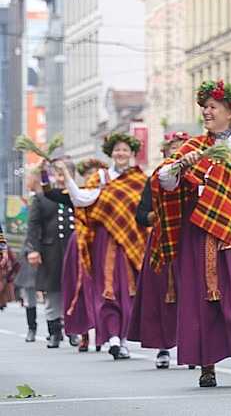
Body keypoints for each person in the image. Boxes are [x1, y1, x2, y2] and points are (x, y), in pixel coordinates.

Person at [153, 80, 231, 388]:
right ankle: (206, 365)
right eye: (204, 107)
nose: (205, 112)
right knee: (201, 298)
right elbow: (163, 180)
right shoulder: (194, 147)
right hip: (200, 231)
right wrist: (181, 164)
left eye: (212, 107)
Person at [55, 133, 148, 360]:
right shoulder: (101, 177)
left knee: (129, 290)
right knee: (107, 288)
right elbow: (80, 199)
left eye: (125, 150)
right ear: (110, 153)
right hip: (105, 241)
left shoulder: (140, 181)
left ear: (132, 153)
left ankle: (123, 340)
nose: (121, 154)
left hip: (132, 242)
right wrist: (67, 175)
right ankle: (113, 338)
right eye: (117, 150)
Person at [128, 131, 189, 369]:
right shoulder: (156, 178)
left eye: (182, 146)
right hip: (163, 242)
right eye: (173, 146)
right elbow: (141, 215)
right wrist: (160, 215)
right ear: (165, 152)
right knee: (162, 296)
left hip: (189, 238)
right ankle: (163, 348)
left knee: (192, 295)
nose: (177, 150)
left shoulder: (197, 175)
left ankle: (191, 346)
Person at [49, 158, 108, 353]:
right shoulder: (77, 193)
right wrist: (45, 172)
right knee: (79, 287)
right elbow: (50, 193)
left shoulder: (107, 192)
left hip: (101, 242)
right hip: (81, 242)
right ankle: (83, 334)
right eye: (88, 173)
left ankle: (102, 333)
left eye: (95, 173)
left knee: (103, 287)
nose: (92, 176)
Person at [24, 162, 78, 348]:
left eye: (65, 175)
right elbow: (33, 226)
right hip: (50, 251)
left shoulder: (79, 196)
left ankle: (73, 330)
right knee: (53, 292)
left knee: (75, 291)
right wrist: (33, 249)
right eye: (59, 175)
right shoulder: (43, 198)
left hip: (75, 251)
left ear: (73, 177)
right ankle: (54, 331)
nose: (61, 179)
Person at [15, 170, 42, 342]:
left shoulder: (50, 196)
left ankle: (60, 328)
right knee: (29, 288)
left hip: (49, 244)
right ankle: (31, 328)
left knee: (56, 289)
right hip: (30, 245)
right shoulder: (30, 199)